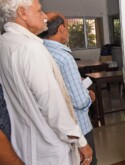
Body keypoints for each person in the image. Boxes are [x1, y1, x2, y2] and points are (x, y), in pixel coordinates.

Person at [0, 0, 92, 164]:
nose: (44, 17)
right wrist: (81, 142)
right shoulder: (31, 49)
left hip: (24, 144)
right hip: (50, 146)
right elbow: (54, 107)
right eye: (39, 11)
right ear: (22, 13)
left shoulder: (4, 43)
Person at [38, 12, 98, 165]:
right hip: (78, 126)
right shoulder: (64, 57)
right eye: (67, 27)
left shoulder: (40, 51)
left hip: (54, 128)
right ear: (61, 29)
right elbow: (80, 101)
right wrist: (90, 96)